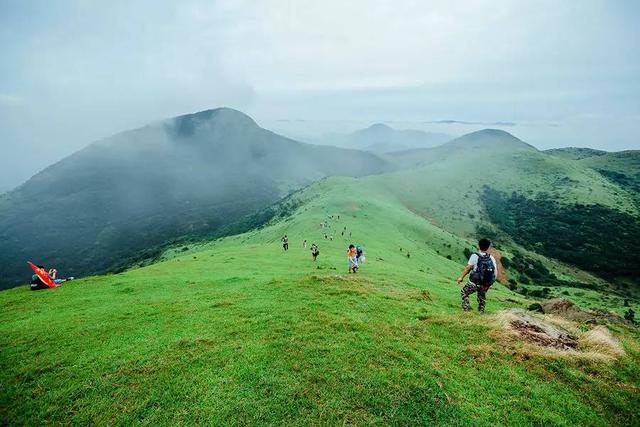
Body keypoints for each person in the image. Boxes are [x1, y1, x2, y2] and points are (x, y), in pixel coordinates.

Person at [456, 238, 498, 312]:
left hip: (474, 282)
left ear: (478, 246)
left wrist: (461, 277)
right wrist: (489, 284)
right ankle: (481, 312)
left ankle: (467, 310)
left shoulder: (475, 256)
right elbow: (495, 272)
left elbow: (468, 268)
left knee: (464, 292)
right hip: (485, 284)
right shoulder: (491, 258)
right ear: (488, 247)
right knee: (481, 297)